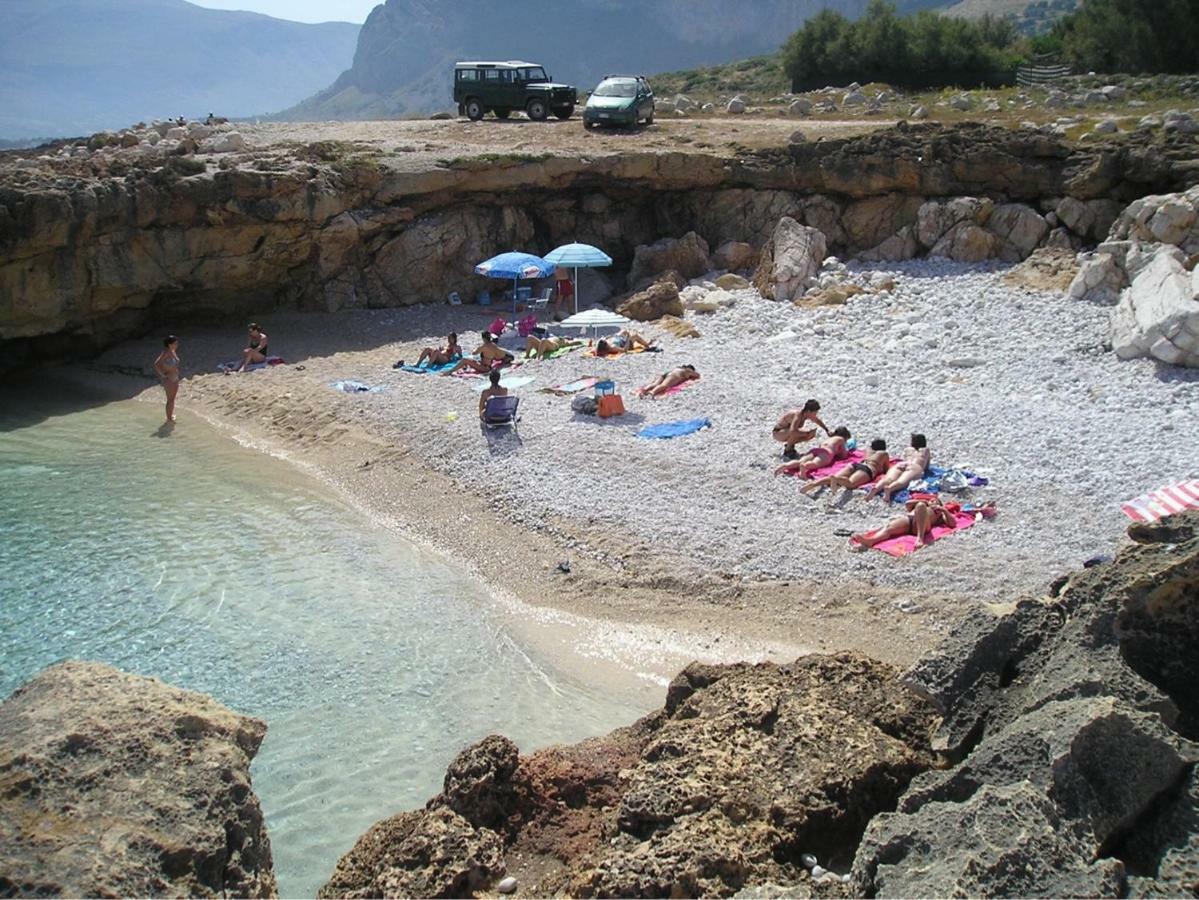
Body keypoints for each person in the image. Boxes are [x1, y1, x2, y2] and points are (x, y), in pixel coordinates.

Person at [849, 498, 995, 550]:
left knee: (919, 507)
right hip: (910, 521)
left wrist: (943, 510)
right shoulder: (923, 505)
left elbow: (953, 524)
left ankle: (919, 538)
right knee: (889, 528)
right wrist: (924, 502)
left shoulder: (938, 513)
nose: (932, 502)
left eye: (935, 501)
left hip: (924, 527)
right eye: (931, 501)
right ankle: (870, 541)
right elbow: (907, 504)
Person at [800, 438, 889, 495]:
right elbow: (886, 469)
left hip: (855, 464)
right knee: (850, 484)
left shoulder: (868, 450)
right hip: (868, 469)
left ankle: (814, 484)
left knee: (833, 478)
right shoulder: (884, 454)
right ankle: (836, 479)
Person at [865, 433, 932, 502]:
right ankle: (889, 489)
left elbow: (903, 458)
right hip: (915, 466)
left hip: (901, 464)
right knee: (902, 481)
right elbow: (927, 466)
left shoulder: (908, 449)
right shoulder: (926, 450)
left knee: (889, 479)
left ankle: (876, 488)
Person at [774, 427, 851, 477]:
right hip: (826, 453)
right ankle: (804, 467)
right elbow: (843, 455)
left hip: (816, 450)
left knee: (800, 461)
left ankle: (785, 465)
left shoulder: (829, 439)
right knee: (815, 463)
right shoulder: (841, 439)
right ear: (845, 436)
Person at [442, 331, 515, 376]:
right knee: (468, 361)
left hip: (485, 368)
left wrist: (477, 349)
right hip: (487, 366)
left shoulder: (483, 347)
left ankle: (450, 372)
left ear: (483, 338)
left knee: (465, 360)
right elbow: (500, 354)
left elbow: (474, 353)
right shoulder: (494, 345)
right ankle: (457, 369)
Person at [153, 335, 181, 422]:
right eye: (175, 343)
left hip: (175, 377)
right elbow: (156, 364)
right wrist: (163, 375)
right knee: (170, 399)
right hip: (169, 379)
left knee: (172, 399)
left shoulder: (173, 351)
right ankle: (169, 419)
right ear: (169, 344)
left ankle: (170, 416)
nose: (177, 345)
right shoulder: (166, 353)